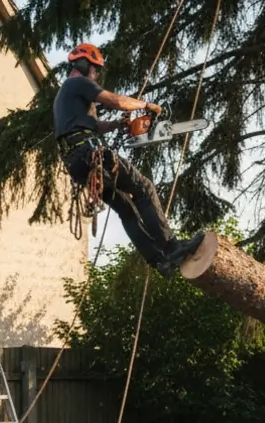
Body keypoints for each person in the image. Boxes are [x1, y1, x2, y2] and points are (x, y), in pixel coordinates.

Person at [53, 43, 203, 276]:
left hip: (77, 163)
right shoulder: (78, 83)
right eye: (95, 69)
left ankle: (158, 261)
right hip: (89, 153)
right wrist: (146, 105)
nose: (96, 75)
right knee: (144, 187)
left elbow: (95, 126)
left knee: (126, 208)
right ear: (84, 65)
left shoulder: (67, 97)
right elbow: (116, 101)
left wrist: (117, 124)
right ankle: (171, 247)